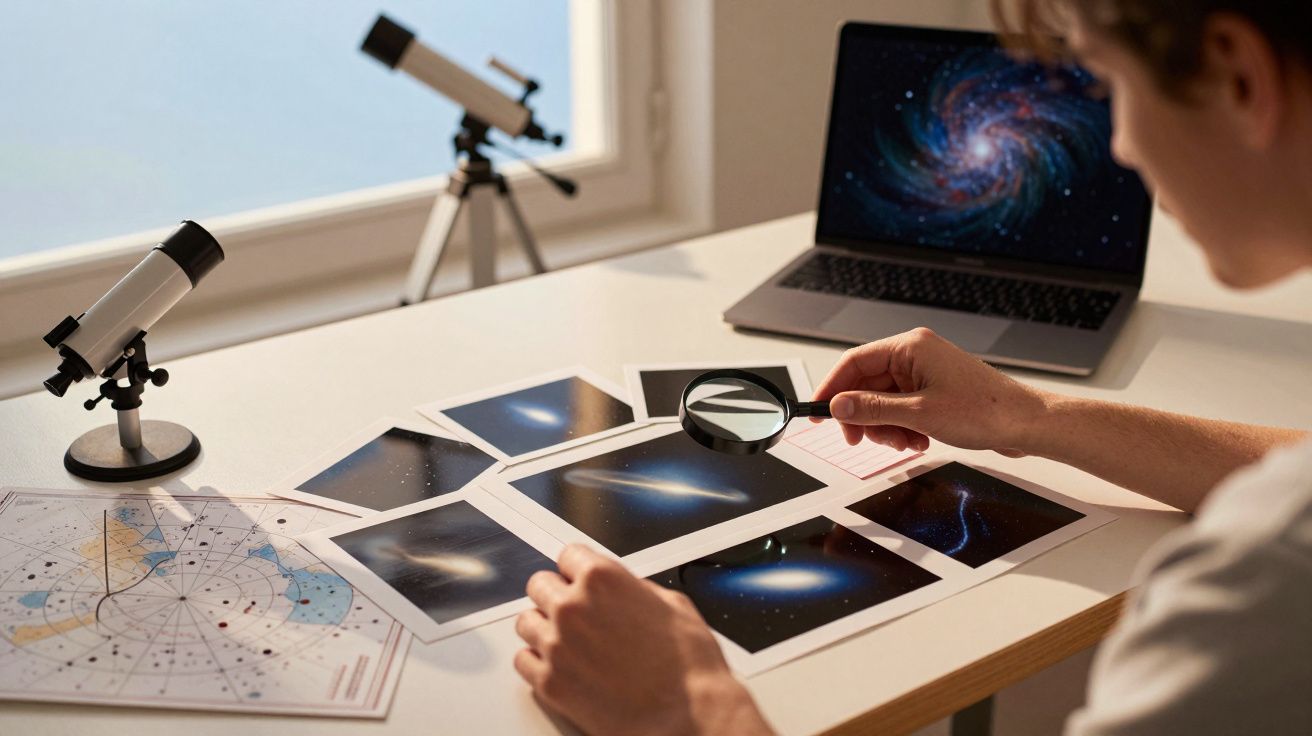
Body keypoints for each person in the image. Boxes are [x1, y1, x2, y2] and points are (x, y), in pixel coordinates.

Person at [510, 0, 1312, 733]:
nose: (1121, 144)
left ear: (1238, 76)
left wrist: (686, 706)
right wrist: (1027, 419)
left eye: (1107, 82)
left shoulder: (1260, 585)